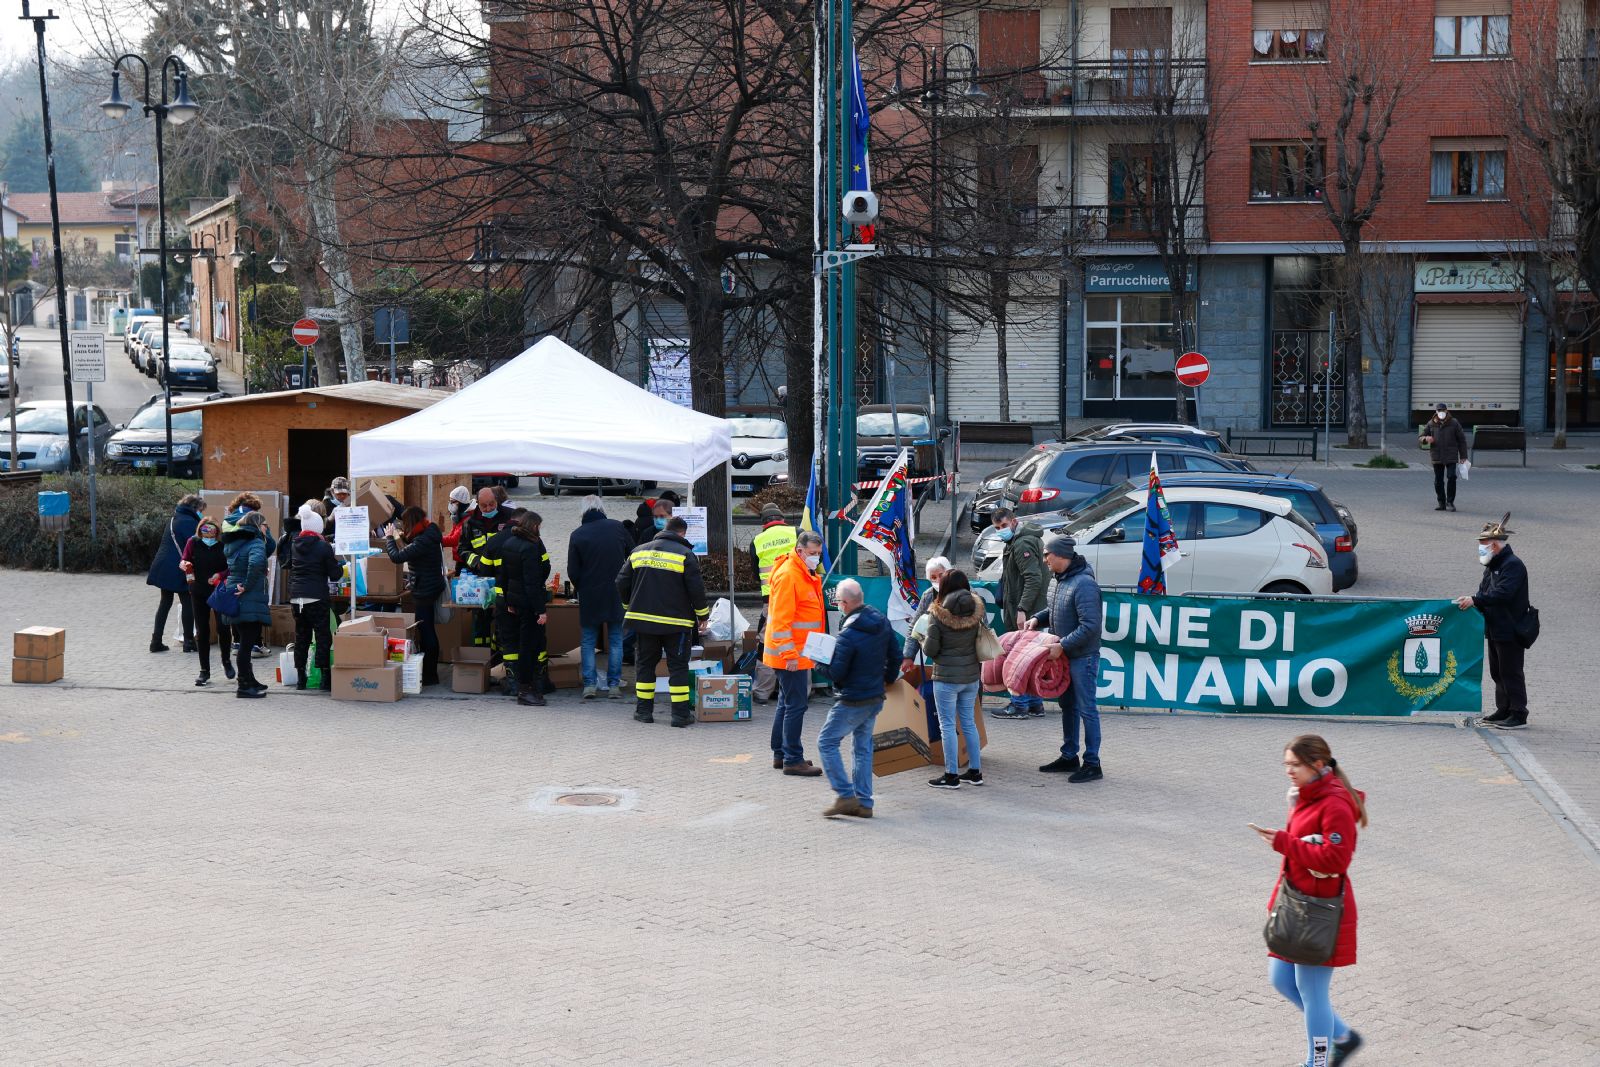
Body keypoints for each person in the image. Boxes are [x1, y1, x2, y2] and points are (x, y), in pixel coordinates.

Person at [1251, 734, 1367, 1067]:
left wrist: (1284, 842)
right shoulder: (1304, 796)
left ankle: (1316, 1062)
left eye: (1296, 765)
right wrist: (1276, 900)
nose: (1289, 771)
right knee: (1281, 979)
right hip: (1295, 906)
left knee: (1312, 992)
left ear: (1317, 765)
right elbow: (1297, 855)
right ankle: (1343, 1037)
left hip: (1319, 913)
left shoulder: (1334, 804)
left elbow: (1336, 860)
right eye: (1286, 764)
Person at [818, 578, 902, 819]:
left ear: (845, 603)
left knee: (826, 742)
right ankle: (864, 802)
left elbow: (836, 673)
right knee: (862, 748)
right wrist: (887, 680)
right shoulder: (880, 620)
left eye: (838, 601)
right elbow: (895, 655)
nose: (838, 605)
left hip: (852, 698)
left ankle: (846, 796)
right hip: (874, 696)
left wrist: (817, 662)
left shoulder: (848, 634)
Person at [617, 513, 709, 726]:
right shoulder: (685, 554)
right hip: (676, 623)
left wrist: (628, 606)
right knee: (678, 667)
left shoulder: (639, 551)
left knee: (645, 665)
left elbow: (621, 581)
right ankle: (680, 715)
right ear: (682, 533)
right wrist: (702, 615)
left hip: (644, 621)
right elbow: (696, 589)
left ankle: (643, 712)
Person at [1028, 535, 1104, 783]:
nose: (1044, 559)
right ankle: (1069, 756)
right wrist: (1037, 618)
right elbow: (1055, 609)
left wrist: (1062, 645)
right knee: (1068, 706)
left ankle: (1092, 763)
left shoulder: (1085, 584)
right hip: (1064, 656)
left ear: (1061, 555)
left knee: (1086, 709)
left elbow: (1090, 626)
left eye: (1047, 554)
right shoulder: (1057, 580)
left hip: (1083, 657)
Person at [1455, 513, 1531, 730]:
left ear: (1495, 545)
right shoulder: (1492, 566)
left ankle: (1518, 713)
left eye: (1484, 544)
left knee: (1511, 671)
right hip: (1495, 627)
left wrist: (1476, 600)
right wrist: (1473, 600)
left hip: (1511, 628)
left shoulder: (1513, 565)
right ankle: (1504, 708)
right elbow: (1484, 591)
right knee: (1497, 672)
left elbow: (1503, 594)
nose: (1481, 548)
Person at [764, 530, 828, 774]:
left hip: (793, 653)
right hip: (791, 655)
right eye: (813, 553)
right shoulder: (791, 575)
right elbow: (781, 623)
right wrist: (790, 656)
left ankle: (781, 754)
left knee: (786, 703)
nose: (816, 557)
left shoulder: (800, 573)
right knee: (796, 706)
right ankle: (792, 759)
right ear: (800, 551)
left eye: (819, 553)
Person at [919, 570, 985, 790]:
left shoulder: (938, 614)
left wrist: (923, 639)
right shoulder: (977, 610)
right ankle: (975, 772)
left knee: (947, 725)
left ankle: (951, 775)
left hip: (946, 678)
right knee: (968, 723)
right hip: (971, 677)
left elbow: (931, 650)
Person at [568, 494, 633, 698]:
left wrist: (581, 587)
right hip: (616, 592)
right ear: (601, 508)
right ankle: (614, 685)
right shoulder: (617, 527)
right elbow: (633, 555)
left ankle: (589, 685)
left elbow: (573, 571)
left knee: (588, 641)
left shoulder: (577, 535)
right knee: (616, 640)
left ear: (583, 511)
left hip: (590, 593)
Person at [992, 507, 1050, 718]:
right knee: (1030, 658)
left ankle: (1019, 705)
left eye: (1004, 525)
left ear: (1014, 522)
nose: (1001, 530)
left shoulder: (1022, 544)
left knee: (1018, 659)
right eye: (997, 527)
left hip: (1026, 611)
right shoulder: (1019, 541)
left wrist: (1022, 609)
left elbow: (1033, 578)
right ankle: (1034, 703)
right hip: (1030, 609)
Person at [493, 510, 552, 706]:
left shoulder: (509, 543)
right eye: (539, 526)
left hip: (514, 603)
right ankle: (525, 689)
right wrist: (540, 610)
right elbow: (531, 583)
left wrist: (508, 602)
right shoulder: (530, 547)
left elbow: (503, 576)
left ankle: (526, 687)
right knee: (529, 647)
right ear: (534, 526)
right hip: (528, 605)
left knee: (521, 644)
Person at [384, 505, 446, 687]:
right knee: (427, 629)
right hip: (431, 585)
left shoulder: (422, 541)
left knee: (426, 631)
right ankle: (430, 673)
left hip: (424, 590)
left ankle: (430, 675)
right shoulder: (429, 531)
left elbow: (396, 557)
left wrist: (389, 538)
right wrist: (400, 537)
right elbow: (411, 545)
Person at [286, 503, 342, 691]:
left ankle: (301, 678)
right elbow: (335, 574)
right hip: (317, 597)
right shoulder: (323, 546)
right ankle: (325, 678)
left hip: (296, 598)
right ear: (319, 527)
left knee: (301, 637)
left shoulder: (294, 544)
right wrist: (340, 566)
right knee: (322, 636)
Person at [461, 486, 520, 653]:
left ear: (497, 501)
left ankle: (499, 657)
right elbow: (462, 549)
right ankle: (481, 654)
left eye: (491, 504)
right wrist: (476, 562)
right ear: (477, 504)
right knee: (481, 620)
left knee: (504, 620)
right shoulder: (470, 523)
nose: (488, 509)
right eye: (484, 505)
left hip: (504, 579)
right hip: (481, 580)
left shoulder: (509, 517)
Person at [220, 509, 271, 698]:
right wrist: (247, 585)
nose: (267, 528)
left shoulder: (235, 542)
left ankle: (250, 679)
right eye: (265, 525)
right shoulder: (255, 542)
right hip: (247, 597)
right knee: (246, 643)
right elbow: (256, 564)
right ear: (257, 525)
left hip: (234, 594)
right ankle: (243, 685)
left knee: (244, 640)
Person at [179, 515, 233, 687]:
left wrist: (220, 575)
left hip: (219, 590)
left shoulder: (224, 544)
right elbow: (185, 559)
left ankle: (226, 661)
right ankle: (204, 670)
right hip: (198, 590)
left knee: (223, 627)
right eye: (204, 532)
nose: (208, 536)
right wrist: (184, 564)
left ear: (217, 532)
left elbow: (231, 566)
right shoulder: (193, 542)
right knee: (202, 631)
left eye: (211, 532)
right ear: (200, 531)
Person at [147, 493, 202, 653]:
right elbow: (194, 548)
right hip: (180, 567)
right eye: (200, 509)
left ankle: (156, 641)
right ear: (194, 508)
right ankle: (189, 642)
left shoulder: (174, 518)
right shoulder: (190, 522)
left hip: (164, 566)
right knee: (187, 602)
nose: (201, 512)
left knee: (165, 602)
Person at [899, 555, 951, 675]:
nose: (938, 580)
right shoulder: (928, 596)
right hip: (941, 661)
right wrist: (908, 656)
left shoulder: (968, 593)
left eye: (941, 575)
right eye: (933, 577)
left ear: (948, 573)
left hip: (967, 661)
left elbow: (982, 627)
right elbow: (915, 627)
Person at [1421, 402, 1470, 513]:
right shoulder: (1431, 423)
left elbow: (1462, 440)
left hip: (1451, 455)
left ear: (1447, 411)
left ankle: (1450, 502)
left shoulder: (1454, 423)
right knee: (1438, 480)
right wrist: (1425, 439)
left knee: (1451, 477)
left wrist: (1463, 456)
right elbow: (1421, 437)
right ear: (1436, 411)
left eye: (1443, 410)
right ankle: (1441, 503)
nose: (1441, 412)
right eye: (1439, 410)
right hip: (1437, 455)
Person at [749, 503, 797, 598]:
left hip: (770, 593)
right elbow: (816, 556)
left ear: (764, 524)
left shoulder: (756, 541)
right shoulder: (797, 533)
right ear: (782, 519)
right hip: (795, 588)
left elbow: (756, 572)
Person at [440, 485, 473, 568]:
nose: (450, 504)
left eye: (452, 502)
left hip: (466, 559)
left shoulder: (468, 519)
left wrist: (437, 539)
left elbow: (455, 540)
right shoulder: (459, 517)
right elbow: (451, 535)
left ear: (461, 503)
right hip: (460, 557)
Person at [322, 476, 353, 543]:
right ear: (332, 492)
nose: (342, 496)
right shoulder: (324, 506)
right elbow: (321, 530)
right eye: (339, 493)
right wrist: (330, 518)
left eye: (344, 493)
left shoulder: (352, 503)